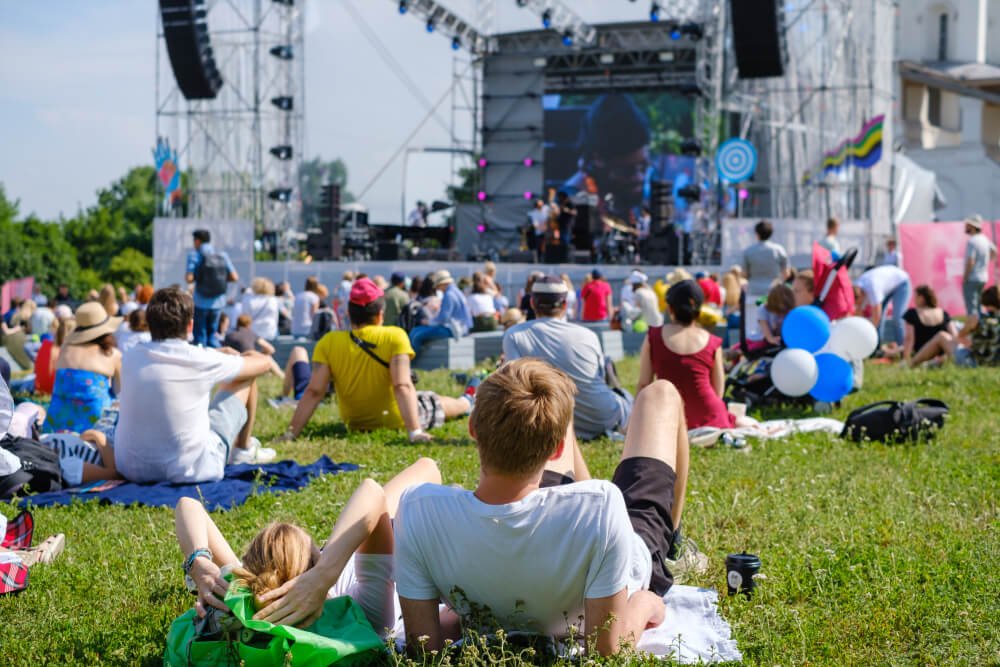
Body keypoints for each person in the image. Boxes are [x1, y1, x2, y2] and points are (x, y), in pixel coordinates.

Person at [395, 358, 698, 657]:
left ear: (472, 428)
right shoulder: (603, 505)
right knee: (661, 394)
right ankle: (670, 540)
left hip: (542, 513)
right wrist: (645, 602)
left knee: (523, 402)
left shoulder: (417, 510)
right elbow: (608, 650)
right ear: (558, 448)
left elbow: (424, 648)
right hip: (607, 540)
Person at [174, 458, 440, 635]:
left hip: (354, 539)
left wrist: (200, 562)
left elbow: (189, 505)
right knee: (428, 468)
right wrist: (325, 574)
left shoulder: (247, 603)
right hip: (376, 537)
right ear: (315, 558)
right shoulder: (360, 615)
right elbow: (372, 492)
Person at [273, 278, 476, 444]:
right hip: (396, 419)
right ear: (380, 315)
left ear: (349, 313)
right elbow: (402, 385)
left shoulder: (328, 342)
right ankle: (468, 400)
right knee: (442, 402)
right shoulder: (395, 336)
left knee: (429, 397)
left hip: (354, 422)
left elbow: (314, 391)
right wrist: (414, 431)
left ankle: (468, 398)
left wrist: (291, 433)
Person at [114, 287, 277, 483]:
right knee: (245, 376)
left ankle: (243, 448)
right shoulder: (201, 359)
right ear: (190, 325)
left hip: (131, 469)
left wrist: (215, 353)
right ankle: (242, 450)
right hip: (191, 470)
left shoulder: (131, 357)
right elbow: (265, 363)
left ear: (150, 323)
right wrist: (244, 355)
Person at [504, 276, 631, 440]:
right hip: (599, 420)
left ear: (533, 303)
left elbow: (513, 387)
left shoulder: (514, 335)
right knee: (625, 396)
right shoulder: (587, 335)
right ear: (564, 305)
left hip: (548, 423)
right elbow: (600, 378)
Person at [638, 280, 746, 431]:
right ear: (699, 310)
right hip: (711, 417)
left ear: (670, 309)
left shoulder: (653, 337)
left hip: (669, 416)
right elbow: (718, 391)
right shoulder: (712, 341)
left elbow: (644, 383)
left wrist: (637, 418)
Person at [560, 93, 652, 220]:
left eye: (643, 167)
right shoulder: (572, 203)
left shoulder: (626, 198)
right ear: (598, 159)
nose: (639, 178)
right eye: (627, 171)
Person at [44, 303, 121, 433]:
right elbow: (121, 392)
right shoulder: (113, 355)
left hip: (57, 423)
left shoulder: (64, 349)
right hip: (95, 424)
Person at [909, 285, 1000, 368]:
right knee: (957, 350)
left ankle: (910, 364)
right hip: (995, 364)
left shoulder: (977, 318)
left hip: (975, 362)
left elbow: (960, 337)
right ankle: (931, 365)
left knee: (942, 336)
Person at [186, 229, 239, 348]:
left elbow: (188, 278)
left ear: (197, 241)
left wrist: (199, 278)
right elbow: (234, 277)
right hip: (218, 301)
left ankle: (200, 364)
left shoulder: (195, 255)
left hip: (201, 301)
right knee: (212, 335)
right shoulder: (222, 255)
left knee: (200, 336)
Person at [742, 220, 790, 339]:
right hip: (772, 296)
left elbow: (744, 274)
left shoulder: (748, 252)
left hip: (754, 294)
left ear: (757, 234)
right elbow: (786, 274)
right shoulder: (779, 250)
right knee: (773, 328)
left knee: (752, 329)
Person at [408, 271, 471, 356]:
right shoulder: (456, 292)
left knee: (416, 335)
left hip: (453, 329)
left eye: (438, 286)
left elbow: (443, 318)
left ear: (443, 284)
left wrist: (428, 322)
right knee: (416, 331)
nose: (437, 288)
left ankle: (410, 362)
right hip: (460, 327)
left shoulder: (449, 295)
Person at [894, 285, 957, 364]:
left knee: (898, 350)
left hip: (922, 355)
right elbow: (954, 335)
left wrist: (906, 359)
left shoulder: (912, 313)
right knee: (897, 349)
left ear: (921, 298)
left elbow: (909, 339)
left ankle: (884, 352)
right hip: (942, 353)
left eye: (915, 297)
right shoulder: (944, 313)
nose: (914, 300)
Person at [854, 265, 912, 346]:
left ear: (861, 295)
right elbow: (858, 312)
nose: (859, 304)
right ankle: (877, 346)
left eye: (858, 302)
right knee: (879, 319)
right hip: (887, 284)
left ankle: (902, 348)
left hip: (901, 282)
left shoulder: (872, 288)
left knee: (897, 317)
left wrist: (867, 334)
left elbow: (877, 316)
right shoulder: (856, 286)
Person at [962, 215, 997, 316]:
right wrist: (985, 262)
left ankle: (974, 329)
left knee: (971, 306)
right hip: (983, 277)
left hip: (972, 278)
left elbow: (970, 261)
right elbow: (994, 251)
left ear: (972, 226)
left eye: (968, 225)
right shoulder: (984, 239)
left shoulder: (972, 241)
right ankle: (981, 327)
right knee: (979, 305)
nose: (966, 227)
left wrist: (965, 277)